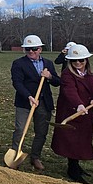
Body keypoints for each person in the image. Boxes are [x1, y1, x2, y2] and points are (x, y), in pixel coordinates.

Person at [50, 44, 93, 183]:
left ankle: (76, 165)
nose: (78, 63)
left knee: (82, 139)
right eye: (74, 61)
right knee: (71, 140)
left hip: (86, 113)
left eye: (81, 60)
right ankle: (72, 169)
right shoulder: (67, 74)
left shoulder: (91, 74)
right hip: (71, 111)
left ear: (87, 60)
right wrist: (78, 104)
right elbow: (69, 91)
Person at [10, 35, 60, 171]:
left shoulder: (48, 64)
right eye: (27, 49)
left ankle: (35, 157)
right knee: (20, 129)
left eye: (34, 49)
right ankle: (15, 154)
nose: (31, 52)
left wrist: (49, 76)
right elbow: (17, 83)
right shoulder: (18, 63)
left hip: (44, 102)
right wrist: (28, 96)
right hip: (25, 101)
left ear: (40, 49)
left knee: (41, 131)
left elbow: (57, 81)